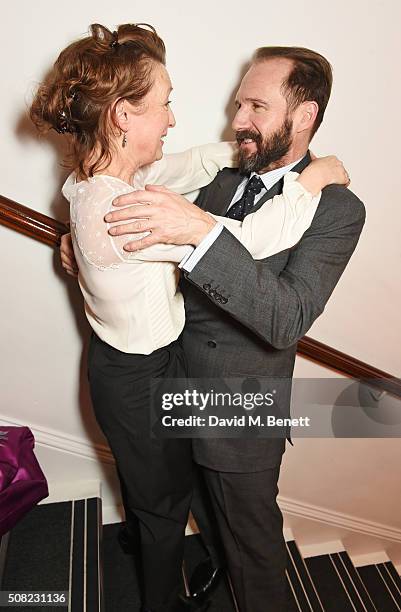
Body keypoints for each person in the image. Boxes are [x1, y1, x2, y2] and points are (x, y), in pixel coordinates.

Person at [95, 46, 366, 611]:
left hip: (240, 408)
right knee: (193, 506)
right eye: (238, 103)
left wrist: (200, 232)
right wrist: (84, 237)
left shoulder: (338, 210)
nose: (238, 120)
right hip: (167, 383)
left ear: (305, 115)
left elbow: (286, 316)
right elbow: (142, 221)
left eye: (256, 107)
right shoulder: (224, 173)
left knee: (254, 549)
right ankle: (211, 570)